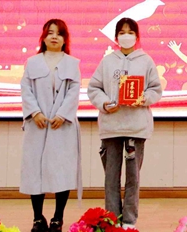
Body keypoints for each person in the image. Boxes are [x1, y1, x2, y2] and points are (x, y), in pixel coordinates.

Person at [87, 17, 163, 229]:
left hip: (136, 127)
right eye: (122, 32)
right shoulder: (107, 61)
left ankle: (129, 221)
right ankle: (112, 219)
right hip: (111, 126)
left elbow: (155, 89)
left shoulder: (146, 61)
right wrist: (104, 103)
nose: (126, 36)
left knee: (133, 178)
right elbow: (94, 88)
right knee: (111, 177)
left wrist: (143, 98)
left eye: (130, 32)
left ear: (137, 37)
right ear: (116, 37)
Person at [20, 19, 82, 232]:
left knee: (61, 170)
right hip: (37, 125)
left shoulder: (72, 63)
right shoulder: (32, 62)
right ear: (43, 37)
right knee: (35, 170)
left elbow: (74, 92)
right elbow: (26, 89)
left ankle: (57, 218)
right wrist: (35, 112)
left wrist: (63, 114)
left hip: (62, 126)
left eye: (59, 33)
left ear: (65, 39)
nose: (54, 37)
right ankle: (38, 218)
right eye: (50, 33)